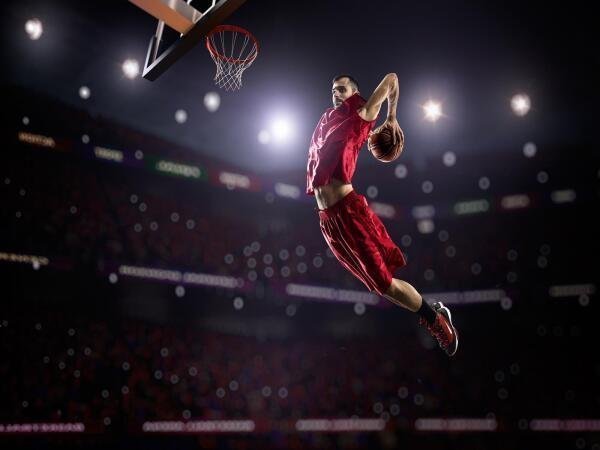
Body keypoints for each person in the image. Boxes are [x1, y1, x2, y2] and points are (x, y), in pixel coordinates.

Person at [306, 73, 458, 356]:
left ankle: (435, 317)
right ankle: (431, 314)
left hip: (348, 211)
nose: (336, 93)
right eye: (333, 90)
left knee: (384, 283)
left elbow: (391, 80)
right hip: (326, 220)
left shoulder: (361, 113)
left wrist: (392, 117)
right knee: (377, 287)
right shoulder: (327, 119)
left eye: (341, 89)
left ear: (354, 92)